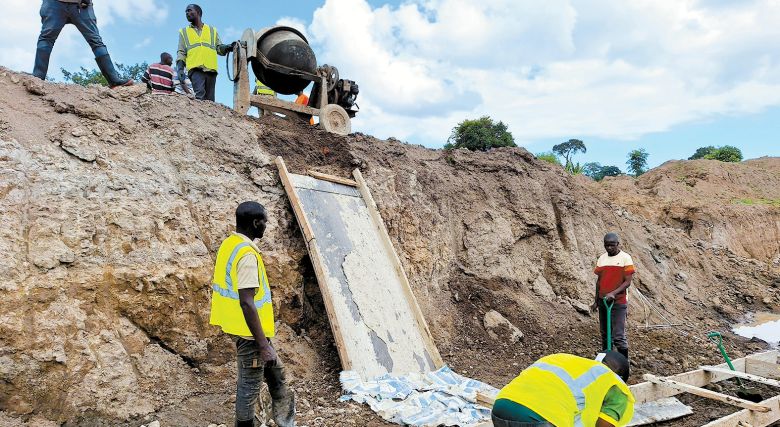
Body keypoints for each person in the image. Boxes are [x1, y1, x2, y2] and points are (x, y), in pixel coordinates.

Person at [209, 201, 295, 427]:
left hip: (244, 330)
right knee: (249, 387)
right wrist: (263, 345)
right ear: (255, 223)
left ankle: (286, 421)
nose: (266, 225)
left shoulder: (230, 244)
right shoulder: (247, 256)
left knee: (276, 373)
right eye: (265, 221)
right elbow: (247, 302)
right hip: (250, 335)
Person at [492, 352, 635, 427]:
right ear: (621, 378)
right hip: (541, 417)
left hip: (501, 406)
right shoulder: (615, 385)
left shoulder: (566, 360)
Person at [33, 0, 132, 87]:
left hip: (82, 5)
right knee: (46, 38)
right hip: (54, 4)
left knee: (96, 41)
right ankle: (37, 77)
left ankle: (114, 80)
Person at [590, 233, 634, 360]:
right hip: (604, 301)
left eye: (612, 245)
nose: (609, 248)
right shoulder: (602, 259)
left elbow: (627, 282)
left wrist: (613, 293)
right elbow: (599, 281)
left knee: (618, 336)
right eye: (606, 245)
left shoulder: (626, 258)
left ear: (617, 244)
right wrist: (596, 301)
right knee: (605, 334)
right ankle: (607, 361)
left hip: (618, 302)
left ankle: (623, 365)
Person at [176, 4, 232, 101]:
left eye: (189, 10)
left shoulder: (212, 30)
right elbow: (181, 51)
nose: (187, 13)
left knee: (210, 100)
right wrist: (180, 68)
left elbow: (219, 48)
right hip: (195, 69)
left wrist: (227, 47)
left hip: (211, 70)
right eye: (186, 12)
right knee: (199, 96)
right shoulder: (184, 32)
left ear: (198, 12)